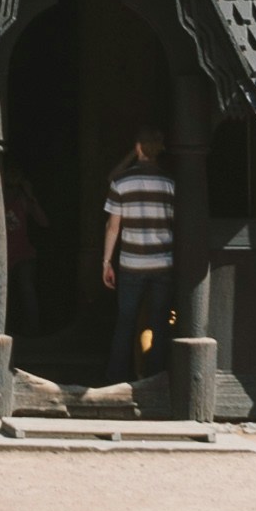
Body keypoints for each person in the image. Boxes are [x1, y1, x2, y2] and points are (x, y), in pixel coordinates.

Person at [99, 127, 177, 395]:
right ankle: (154, 380)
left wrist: (106, 261)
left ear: (138, 148)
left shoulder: (121, 182)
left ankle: (115, 379)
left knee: (126, 321)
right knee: (159, 323)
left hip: (131, 264)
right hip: (163, 263)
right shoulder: (170, 183)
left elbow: (113, 227)